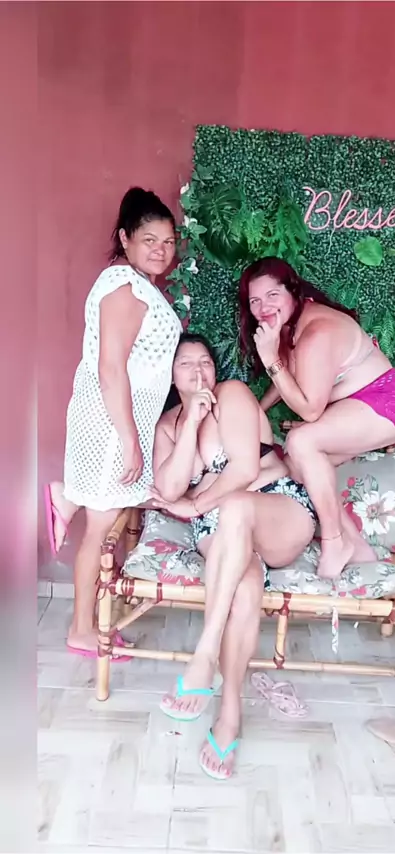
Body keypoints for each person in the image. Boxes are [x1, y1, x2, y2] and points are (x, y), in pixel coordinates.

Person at [149, 333, 323, 780]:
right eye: (185, 363)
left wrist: (197, 503)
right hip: (221, 532)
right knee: (243, 588)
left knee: (237, 506)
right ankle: (229, 716)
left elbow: (245, 469)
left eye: (205, 361)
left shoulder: (233, 395)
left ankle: (204, 653)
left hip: (277, 510)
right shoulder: (168, 426)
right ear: (170, 375)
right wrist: (191, 421)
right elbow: (168, 488)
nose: (198, 370)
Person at [43, 187, 182, 656]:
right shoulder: (124, 286)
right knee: (101, 531)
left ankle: (67, 497)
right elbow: (110, 368)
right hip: (110, 425)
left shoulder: (137, 285)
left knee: (113, 517)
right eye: (149, 240)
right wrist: (128, 440)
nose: (161, 250)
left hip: (121, 420)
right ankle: (81, 629)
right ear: (124, 239)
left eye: (168, 241)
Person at [238, 256, 395, 579]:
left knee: (301, 441)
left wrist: (269, 358)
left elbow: (310, 409)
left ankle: (333, 541)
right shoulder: (291, 325)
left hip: (391, 401)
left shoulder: (316, 332)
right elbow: (287, 378)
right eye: (254, 301)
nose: (263, 307)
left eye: (272, 295)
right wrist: (256, 412)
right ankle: (356, 546)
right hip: (354, 405)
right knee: (297, 464)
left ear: (293, 292)